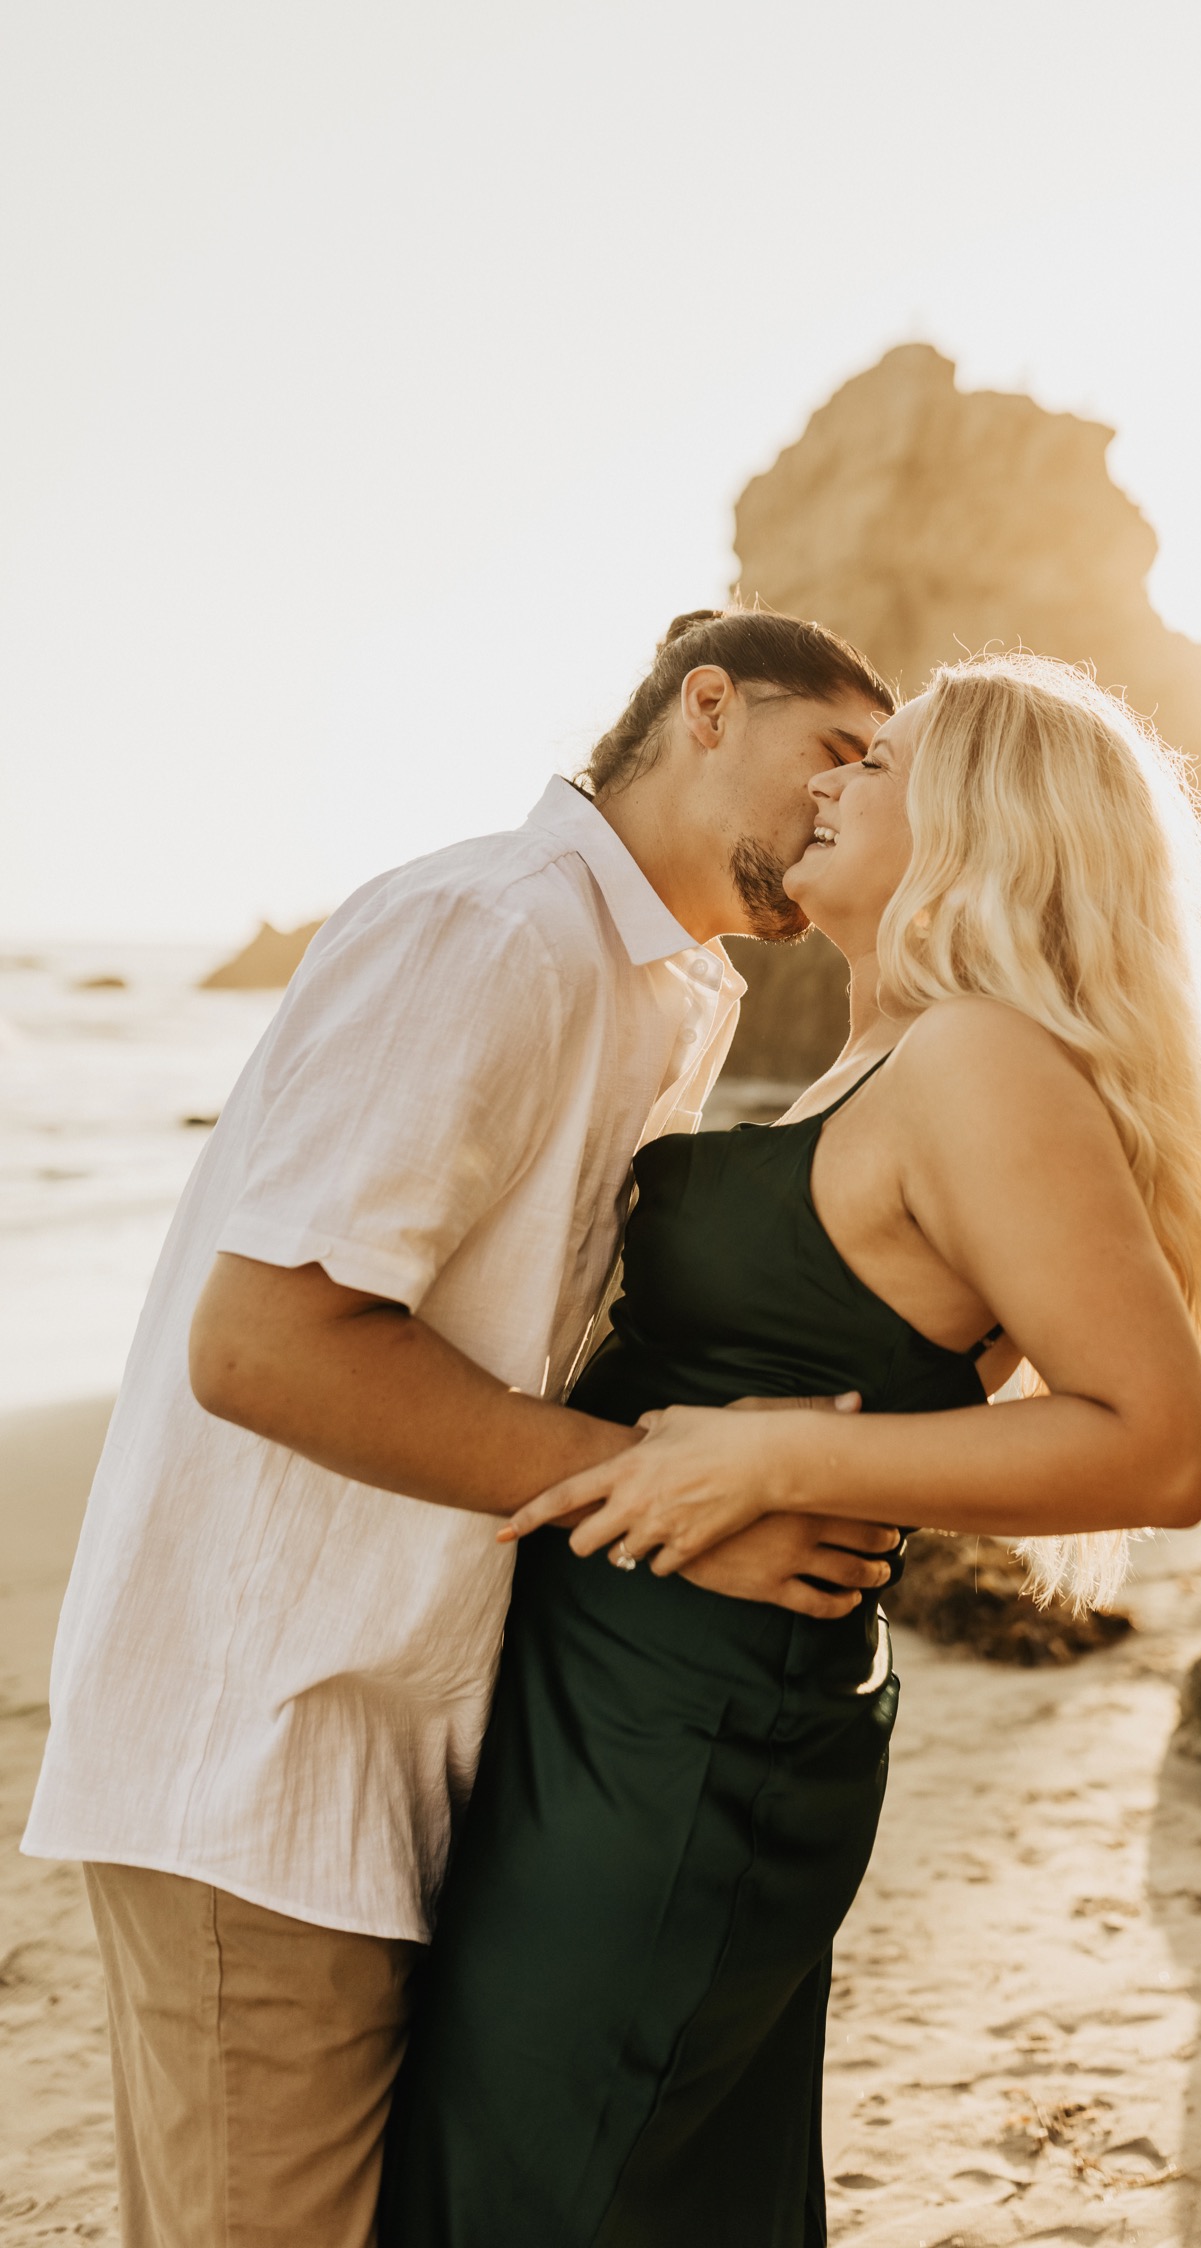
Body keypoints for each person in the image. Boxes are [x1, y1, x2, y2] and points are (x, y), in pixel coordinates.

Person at [377, 651, 1201, 2247]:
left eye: (876, 770)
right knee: (611, 2179)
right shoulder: (880, 1059)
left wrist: (771, 1468)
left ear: (977, 822)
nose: (830, 783)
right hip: (612, 1690)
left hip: (702, 1726)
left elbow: (1156, 1448)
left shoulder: (981, 1065)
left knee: (558, 2181)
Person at [22, 607, 901, 2248]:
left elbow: (492, 1340)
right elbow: (265, 1345)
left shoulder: (669, 989)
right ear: (707, 705)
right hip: (256, 1739)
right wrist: (679, 1488)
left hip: (408, 1732)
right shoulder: (496, 929)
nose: (844, 808)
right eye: (831, 756)